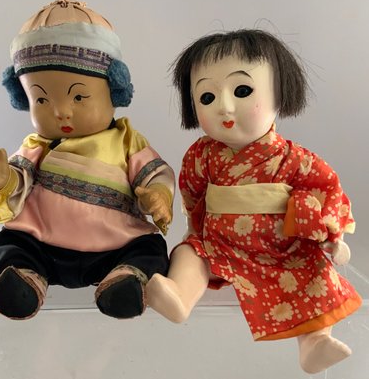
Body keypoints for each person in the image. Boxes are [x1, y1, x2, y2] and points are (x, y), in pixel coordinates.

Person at [146, 29, 361, 374]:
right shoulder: (202, 154)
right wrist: (194, 229)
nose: (225, 107)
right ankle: (178, 297)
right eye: (207, 97)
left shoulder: (295, 160)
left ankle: (314, 342)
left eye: (242, 91)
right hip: (219, 243)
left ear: (281, 92)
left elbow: (327, 191)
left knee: (315, 274)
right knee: (190, 253)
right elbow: (193, 194)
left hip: (283, 249)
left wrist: (330, 234)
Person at [0, 0, 174, 321]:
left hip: (114, 244)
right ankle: (23, 281)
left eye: (79, 96)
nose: (61, 111)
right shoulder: (37, 145)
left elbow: (156, 173)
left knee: (150, 249)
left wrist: (159, 194)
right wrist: (4, 178)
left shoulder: (126, 140)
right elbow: (20, 177)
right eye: (41, 99)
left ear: (113, 90)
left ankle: (124, 280)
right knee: (8, 243)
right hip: (43, 244)